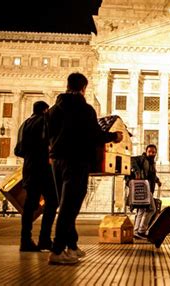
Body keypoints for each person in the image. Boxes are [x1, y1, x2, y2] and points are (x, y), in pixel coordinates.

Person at [46, 73, 123, 264]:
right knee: (69, 207)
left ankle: (71, 246)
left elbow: (46, 135)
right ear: (84, 88)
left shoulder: (53, 110)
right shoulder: (84, 109)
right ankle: (57, 251)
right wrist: (114, 136)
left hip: (57, 161)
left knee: (65, 204)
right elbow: (95, 135)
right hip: (77, 161)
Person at [15, 101, 58, 252]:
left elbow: (17, 151)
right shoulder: (44, 121)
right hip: (43, 168)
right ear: (45, 110)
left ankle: (25, 240)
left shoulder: (24, 124)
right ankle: (44, 239)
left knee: (29, 205)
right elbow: (49, 143)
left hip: (28, 168)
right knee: (53, 201)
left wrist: (30, 155)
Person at [129, 144, 162, 239]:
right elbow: (131, 160)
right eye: (150, 152)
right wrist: (137, 172)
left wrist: (157, 180)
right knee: (152, 209)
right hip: (144, 189)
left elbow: (151, 175)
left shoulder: (151, 163)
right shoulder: (143, 159)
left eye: (154, 152)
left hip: (148, 189)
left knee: (142, 209)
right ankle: (141, 231)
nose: (152, 153)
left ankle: (136, 231)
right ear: (146, 152)